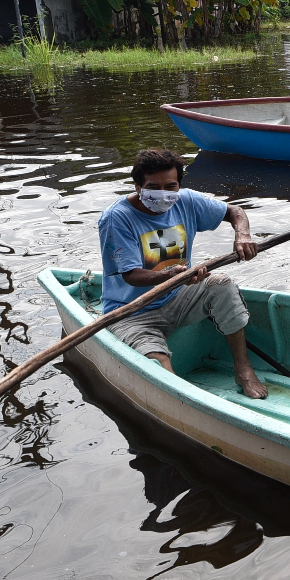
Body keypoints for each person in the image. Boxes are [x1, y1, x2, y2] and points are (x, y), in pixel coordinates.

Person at [98, 148, 268, 400]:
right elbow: (131, 275)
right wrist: (171, 275)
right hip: (131, 311)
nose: (164, 194)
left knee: (221, 284)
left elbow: (235, 212)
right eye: (154, 187)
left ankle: (243, 369)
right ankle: (183, 402)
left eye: (171, 186)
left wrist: (242, 234)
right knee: (158, 366)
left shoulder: (186, 200)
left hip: (178, 295)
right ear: (137, 187)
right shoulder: (117, 218)